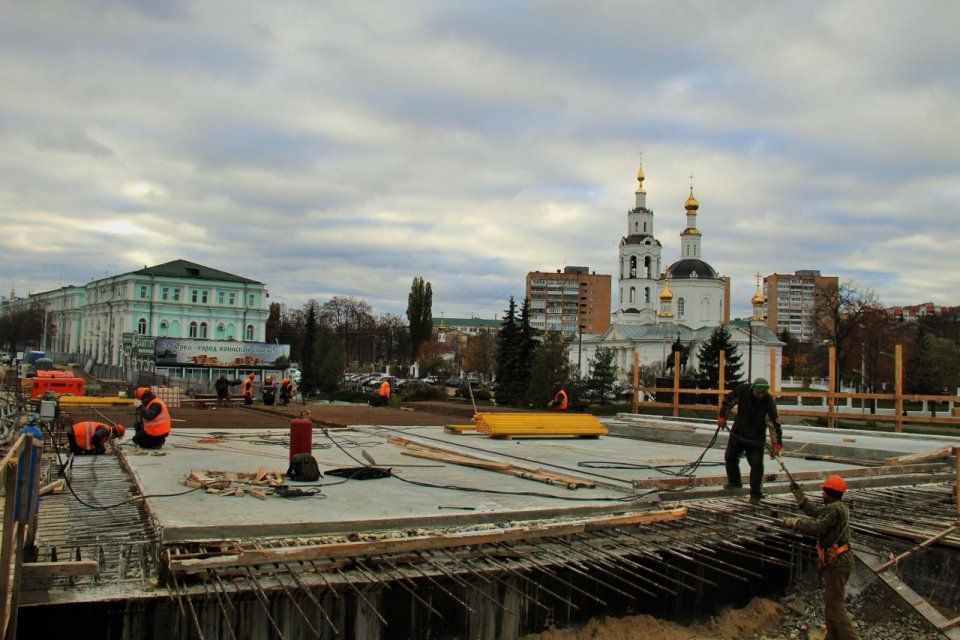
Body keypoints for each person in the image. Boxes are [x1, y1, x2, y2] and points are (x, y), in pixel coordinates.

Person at [779, 476, 859, 640]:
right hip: (839, 561)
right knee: (831, 604)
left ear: (829, 493)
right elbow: (815, 512)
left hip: (839, 562)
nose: (822, 493)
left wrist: (795, 523)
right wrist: (798, 495)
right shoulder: (836, 507)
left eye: (824, 491)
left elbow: (817, 526)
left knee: (835, 605)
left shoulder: (834, 509)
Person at [718, 377, 782, 505]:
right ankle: (735, 483)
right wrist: (722, 417)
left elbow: (774, 425)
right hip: (738, 432)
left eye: (763, 393)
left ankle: (756, 494)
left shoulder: (768, 402)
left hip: (756, 438)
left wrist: (777, 444)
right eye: (758, 393)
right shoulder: (743, 390)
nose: (760, 396)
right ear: (753, 388)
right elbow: (728, 400)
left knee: (756, 465)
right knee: (730, 457)